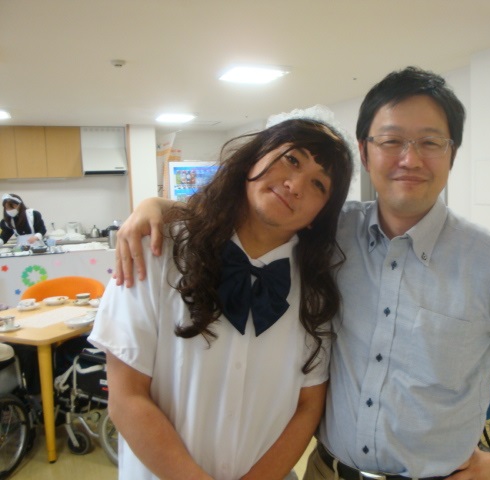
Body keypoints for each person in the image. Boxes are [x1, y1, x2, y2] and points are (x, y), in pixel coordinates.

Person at [113, 67, 490, 479]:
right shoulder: (331, 231)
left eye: (430, 142)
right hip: (327, 471)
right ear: (365, 152)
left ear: (452, 154)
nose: (410, 159)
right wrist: (156, 207)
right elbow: (256, 212)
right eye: (392, 141)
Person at [88, 112, 355, 480]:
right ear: (255, 157)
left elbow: (309, 406)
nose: (295, 185)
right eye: (292, 159)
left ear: (318, 216)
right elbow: (126, 396)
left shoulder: (316, 292)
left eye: (318, 184)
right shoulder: (156, 250)